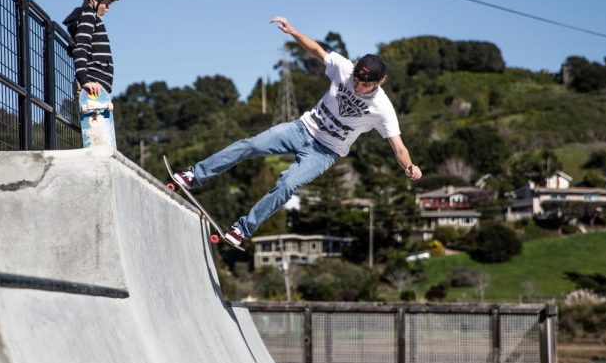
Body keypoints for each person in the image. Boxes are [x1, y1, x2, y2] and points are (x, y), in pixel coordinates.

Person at [173, 16, 422, 246]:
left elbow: (398, 146)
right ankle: (194, 176)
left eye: (365, 85)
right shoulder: (344, 68)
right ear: (355, 68)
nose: (357, 86)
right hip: (301, 128)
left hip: (325, 152)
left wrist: (409, 166)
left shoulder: (383, 108)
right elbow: (317, 51)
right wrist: (293, 32)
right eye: (356, 79)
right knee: (251, 145)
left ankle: (242, 229)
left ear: (379, 83)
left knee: (286, 185)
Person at [63, 0, 120, 114]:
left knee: (98, 135)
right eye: (106, 4)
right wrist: (84, 81)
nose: (107, 9)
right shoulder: (88, 16)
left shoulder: (87, 18)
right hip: (92, 86)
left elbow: (79, 45)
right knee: (96, 136)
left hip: (97, 88)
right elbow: (81, 48)